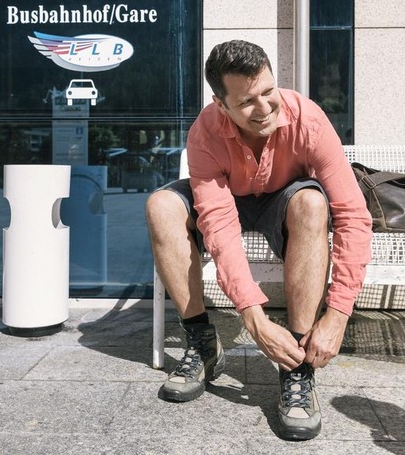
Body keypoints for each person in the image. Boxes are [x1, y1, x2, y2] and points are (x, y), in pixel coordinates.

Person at [145, 40, 372, 441]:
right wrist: (253, 317)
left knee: (311, 203)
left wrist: (338, 315)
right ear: (221, 103)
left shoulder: (310, 122)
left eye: (269, 92)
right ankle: (201, 341)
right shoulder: (205, 133)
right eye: (248, 101)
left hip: (282, 199)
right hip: (228, 194)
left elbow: (354, 216)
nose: (265, 108)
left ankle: (297, 362)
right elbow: (218, 223)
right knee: (161, 205)